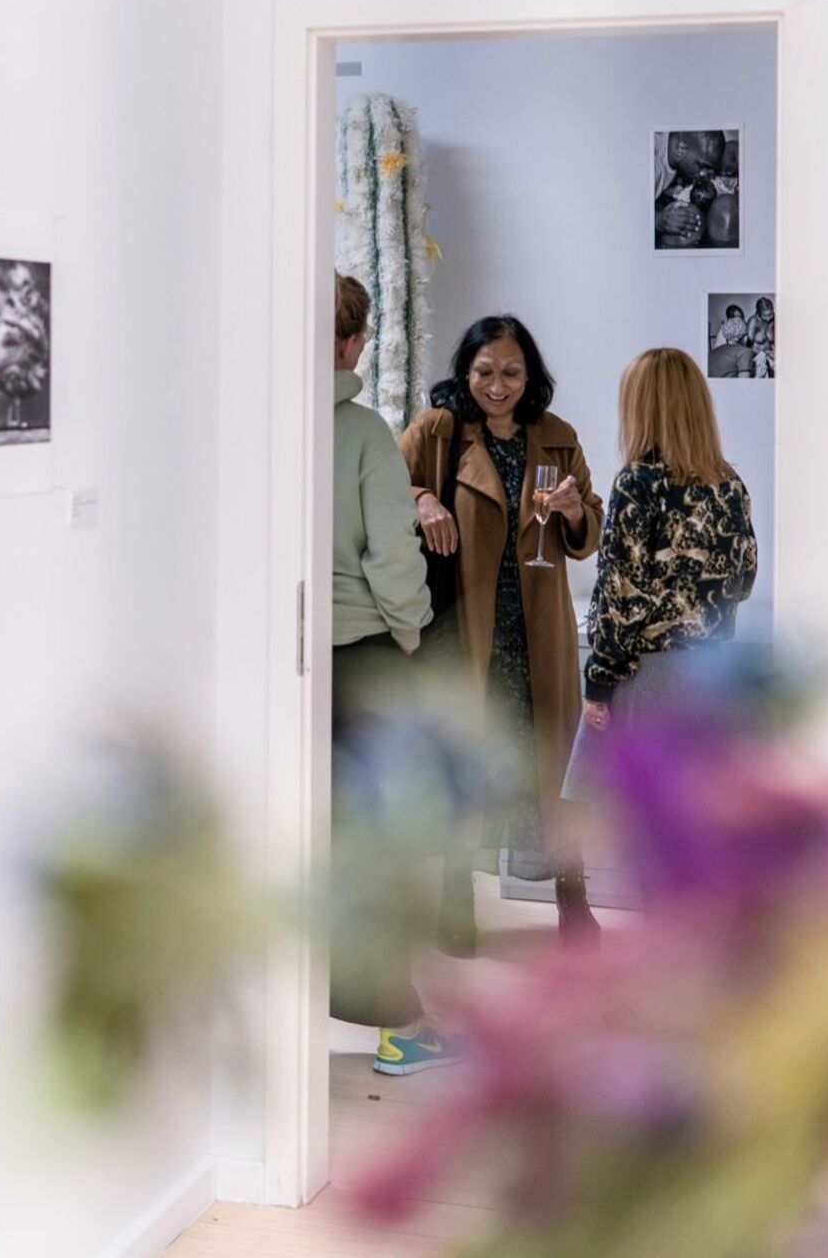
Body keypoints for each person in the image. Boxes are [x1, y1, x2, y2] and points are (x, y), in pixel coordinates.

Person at [399, 316, 604, 939]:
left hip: (537, 628)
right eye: (485, 371)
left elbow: (589, 529)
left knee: (549, 765)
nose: (497, 385)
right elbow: (386, 486)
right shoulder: (438, 431)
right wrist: (423, 499)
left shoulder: (557, 436)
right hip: (469, 626)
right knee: (469, 761)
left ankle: (574, 900)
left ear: (529, 375)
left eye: (511, 372)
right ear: (465, 370)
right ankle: (455, 898)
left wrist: (574, 513)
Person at [331, 273, 459, 1078]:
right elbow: (392, 559)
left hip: (286, 661)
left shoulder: (256, 418)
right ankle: (398, 1026)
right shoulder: (363, 433)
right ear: (350, 343)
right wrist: (413, 634)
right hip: (365, 662)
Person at [563, 348, 758, 795]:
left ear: (641, 408)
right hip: (714, 677)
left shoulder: (637, 483)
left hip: (649, 678)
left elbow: (620, 597)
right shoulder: (729, 484)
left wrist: (599, 685)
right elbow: (744, 579)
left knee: (635, 830)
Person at [654, 130, 738, 248]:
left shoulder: (676, 149)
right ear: (680, 149)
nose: (704, 174)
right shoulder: (652, 167)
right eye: (702, 166)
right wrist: (657, 220)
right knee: (688, 220)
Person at [709, 303, 754, 380]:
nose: (741, 320)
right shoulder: (743, 352)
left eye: (742, 318)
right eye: (738, 318)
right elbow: (744, 384)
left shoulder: (711, 354)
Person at [747, 297, 775, 378]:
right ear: (759, 313)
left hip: (771, 358)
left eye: (770, 314)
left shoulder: (773, 319)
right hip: (757, 360)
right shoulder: (753, 321)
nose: (768, 318)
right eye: (765, 315)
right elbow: (747, 346)